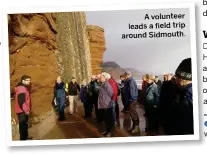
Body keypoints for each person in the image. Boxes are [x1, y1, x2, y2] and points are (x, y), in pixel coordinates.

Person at [175, 58, 193, 135]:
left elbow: (185, 126)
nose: (175, 80)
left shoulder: (187, 96)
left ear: (182, 78)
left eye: (176, 77)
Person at [14, 75, 32, 140]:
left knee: (25, 125)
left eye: (29, 80)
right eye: (27, 80)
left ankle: (26, 137)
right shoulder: (22, 89)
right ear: (23, 81)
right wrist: (26, 110)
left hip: (22, 110)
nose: (29, 81)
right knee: (23, 127)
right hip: (22, 111)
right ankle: (23, 140)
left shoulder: (23, 88)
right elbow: (21, 102)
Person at [98, 72, 114, 137]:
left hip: (106, 105)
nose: (100, 78)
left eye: (101, 76)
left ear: (104, 77)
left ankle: (109, 132)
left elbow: (111, 93)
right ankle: (107, 131)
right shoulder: (103, 84)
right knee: (105, 119)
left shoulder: (106, 84)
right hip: (103, 105)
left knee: (108, 119)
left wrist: (106, 99)